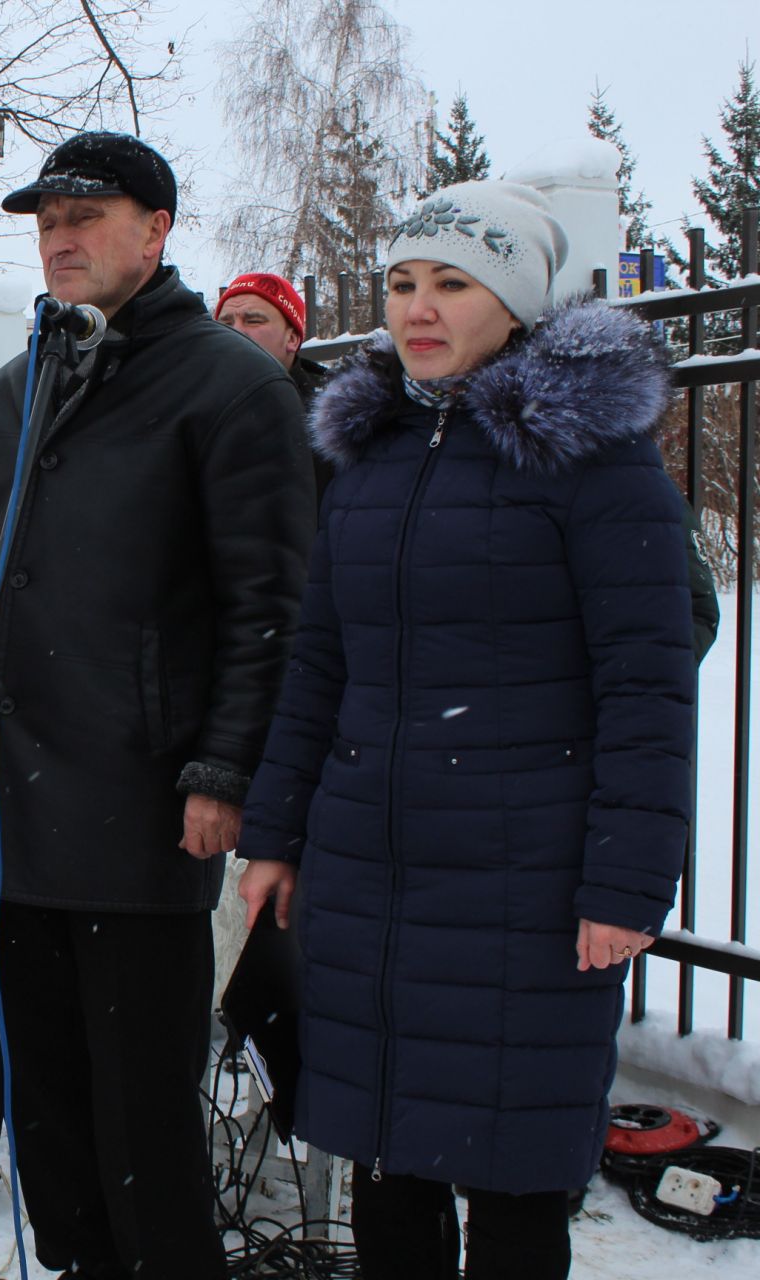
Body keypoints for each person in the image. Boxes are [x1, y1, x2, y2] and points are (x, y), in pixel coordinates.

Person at [237, 180, 696, 1279]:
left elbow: (647, 678)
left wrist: (626, 883)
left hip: (522, 878)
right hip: (371, 871)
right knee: (386, 1162)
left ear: (518, 300)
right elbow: (322, 659)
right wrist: (278, 829)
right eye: (402, 283)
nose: (419, 308)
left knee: (516, 1178)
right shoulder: (374, 449)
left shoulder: (592, 454)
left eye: (453, 281)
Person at [0, 132, 316, 1278]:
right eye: (47, 223)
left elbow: (269, 606)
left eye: (89, 216)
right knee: (44, 1113)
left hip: (142, 805)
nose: (64, 239)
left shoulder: (231, 387)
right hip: (10, 808)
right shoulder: (18, 383)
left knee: (142, 1127)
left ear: (156, 230)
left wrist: (225, 771)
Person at [215, 271, 334, 495]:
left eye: (253, 321)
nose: (236, 331)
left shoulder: (331, 418)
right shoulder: (191, 405)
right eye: (226, 322)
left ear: (292, 339)